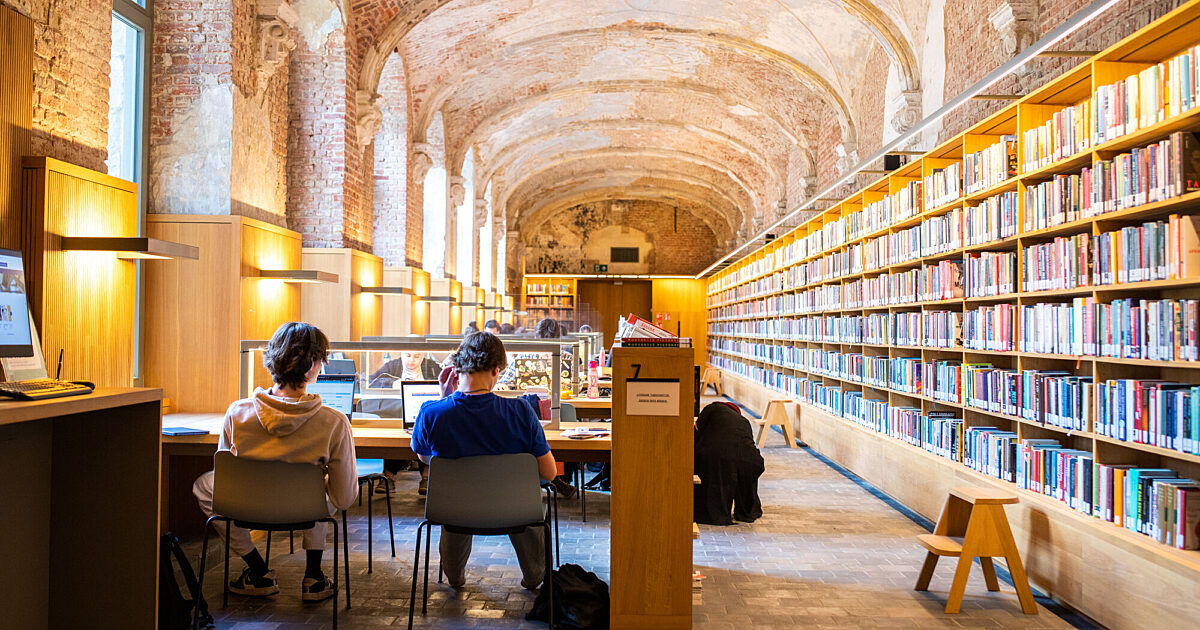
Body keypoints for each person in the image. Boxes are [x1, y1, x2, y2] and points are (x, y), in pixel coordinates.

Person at [193, 322, 357, 601]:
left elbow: (226, 478)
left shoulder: (237, 412)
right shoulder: (334, 422)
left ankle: (258, 571)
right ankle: (314, 576)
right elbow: (344, 498)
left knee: (204, 486)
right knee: (322, 484)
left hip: (249, 507)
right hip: (306, 508)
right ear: (312, 364)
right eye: (321, 359)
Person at [411, 332, 557, 590]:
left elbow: (426, 458)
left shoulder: (431, 413)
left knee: (456, 499)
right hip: (515, 510)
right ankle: (534, 576)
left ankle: (454, 575)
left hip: (455, 511)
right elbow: (549, 472)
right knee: (526, 496)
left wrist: (444, 398)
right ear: (495, 370)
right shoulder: (521, 411)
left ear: (457, 370)